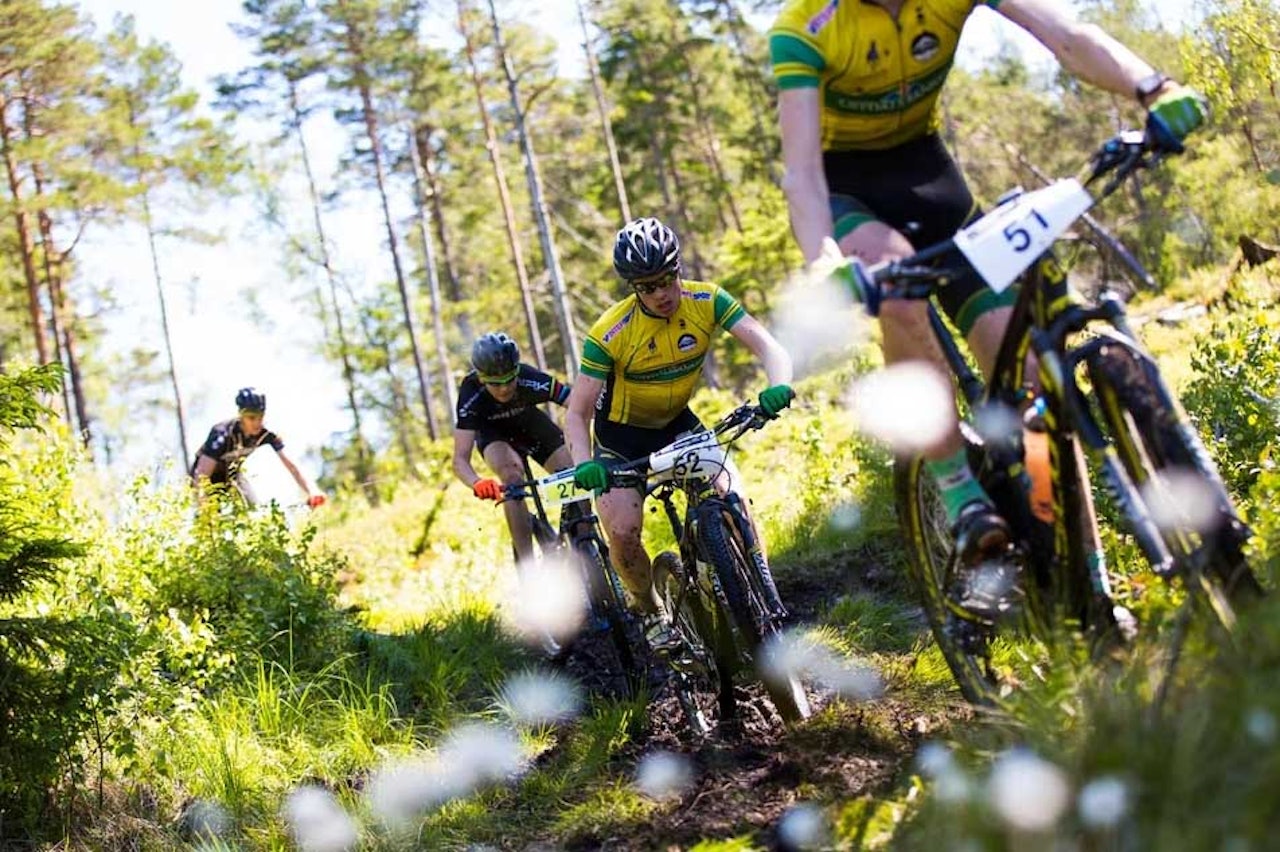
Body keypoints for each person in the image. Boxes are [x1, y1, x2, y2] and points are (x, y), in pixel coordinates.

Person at [769, 0, 1208, 619]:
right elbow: (802, 176)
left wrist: (1153, 87)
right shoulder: (806, 27)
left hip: (931, 179)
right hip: (847, 194)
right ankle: (958, 489)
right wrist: (824, 258)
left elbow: (1066, 35)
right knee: (898, 286)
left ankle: (1092, 585)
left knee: (1035, 385)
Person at [565, 217, 796, 657]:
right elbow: (576, 413)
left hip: (678, 426)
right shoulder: (611, 332)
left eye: (668, 278)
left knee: (733, 497)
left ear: (678, 268)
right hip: (620, 442)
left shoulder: (707, 300)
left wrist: (777, 385)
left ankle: (763, 590)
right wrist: (584, 464)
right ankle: (650, 608)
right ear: (634, 288)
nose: (662, 293)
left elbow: (769, 347)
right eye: (648, 286)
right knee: (623, 531)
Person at [452, 332, 576, 565]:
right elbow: (459, 459)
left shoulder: (530, 377)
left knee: (572, 474)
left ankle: (583, 541)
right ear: (481, 378)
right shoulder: (471, 392)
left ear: (517, 370)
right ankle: (528, 568)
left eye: (510, 379)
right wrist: (476, 482)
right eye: (495, 383)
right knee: (511, 479)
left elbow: (579, 404)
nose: (504, 389)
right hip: (494, 436)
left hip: (532, 427)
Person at [191, 387, 325, 507]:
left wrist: (312, 491)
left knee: (254, 510)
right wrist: (204, 506)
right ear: (241, 416)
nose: (257, 423)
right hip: (205, 478)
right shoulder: (222, 433)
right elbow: (202, 474)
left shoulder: (266, 433)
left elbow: (291, 465)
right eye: (251, 418)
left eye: (261, 417)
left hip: (233, 476)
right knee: (210, 519)